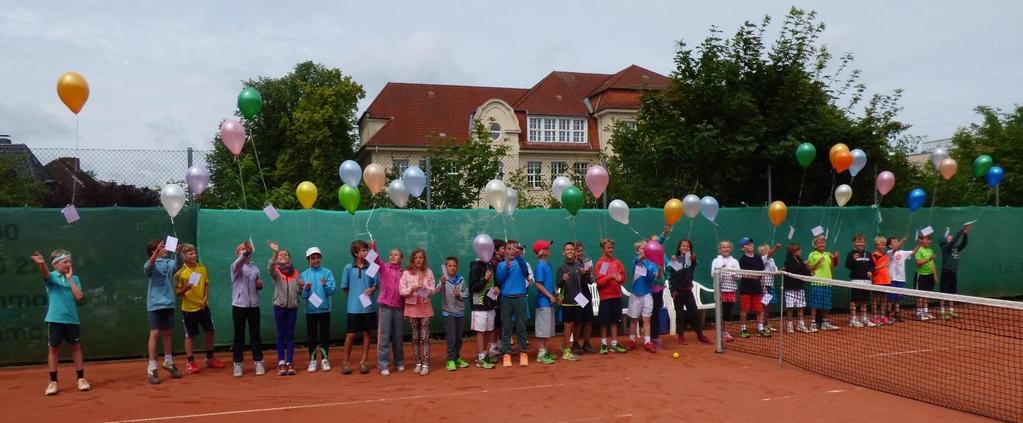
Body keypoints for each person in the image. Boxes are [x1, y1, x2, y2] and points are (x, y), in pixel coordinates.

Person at [32, 250, 90, 396]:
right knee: (53, 350)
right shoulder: (51, 278)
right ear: (56, 264)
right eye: (65, 262)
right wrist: (42, 264)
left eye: (70, 261)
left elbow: (79, 296)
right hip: (55, 319)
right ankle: (53, 382)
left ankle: (81, 379)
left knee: (76, 348)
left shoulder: (75, 278)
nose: (69, 264)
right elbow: (45, 273)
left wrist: (70, 279)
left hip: (72, 320)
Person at [174, 243, 225, 374]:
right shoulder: (180, 274)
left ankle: (209, 359)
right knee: (190, 335)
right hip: (189, 309)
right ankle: (190, 362)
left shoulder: (202, 268)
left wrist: (205, 299)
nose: (194, 255)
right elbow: (177, 292)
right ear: (184, 256)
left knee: (210, 331)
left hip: (203, 307)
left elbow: (207, 284)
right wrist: (186, 288)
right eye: (191, 253)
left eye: (194, 253)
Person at [143, 240, 183, 384]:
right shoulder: (150, 263)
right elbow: (148, 269)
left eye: (165, 246)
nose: (165, 248)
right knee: (154, 333)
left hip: (168, 303)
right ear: (154, 251)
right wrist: (154, 255)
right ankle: (152, 367)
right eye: (161, 247)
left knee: (167, 333)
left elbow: (178, 266)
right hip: (154, 304)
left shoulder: (169, 263)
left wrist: (178, 254)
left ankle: (168, 362)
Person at [339, 240, 379, 376]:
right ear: (356, 253)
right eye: (363, 250)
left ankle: (363, 362)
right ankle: (345, 362)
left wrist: (372, 289)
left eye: (367, 250)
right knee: (350, 335)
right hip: (353, 309)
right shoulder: (348, 268)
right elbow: (345, 288)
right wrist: (354, 299)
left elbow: (376, 284)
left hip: (369, 308)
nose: (366, 252)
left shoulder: (372, 267)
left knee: (367, 334)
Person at [230, 240, 265, 377]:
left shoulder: (255, 268)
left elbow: (258, 284)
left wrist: (259, 285)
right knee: (239, 335)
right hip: (239, 306)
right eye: (241, 250)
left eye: (246, 249)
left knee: (255, 334)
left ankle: (258, 361)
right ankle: (237, 363)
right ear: (238, 253)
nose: (245, 251)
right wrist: (245, 252)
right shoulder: (235, 266)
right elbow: (238, 263)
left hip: (254, 306)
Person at [399, 248, 436, 375]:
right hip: (412, 308)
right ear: (412, 259)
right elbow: (402, 291)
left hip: (425, 308)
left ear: (424, 259)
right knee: (415, 337)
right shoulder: (406, 273)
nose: (418, 260)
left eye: (421, 257)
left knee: (425, 337)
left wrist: (426, 288)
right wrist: (411, 289)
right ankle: (418, 363)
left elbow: (433, 290)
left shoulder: (429, 272)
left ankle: (426, 364)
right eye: (416, 258)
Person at [266, 241, 301, 376]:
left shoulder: (295, 272)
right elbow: (269, 268)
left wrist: (303, 287)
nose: (283, 256)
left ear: (289, 258)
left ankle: (290, 363)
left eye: (285, 255)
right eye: (281, 255)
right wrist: (274, 253)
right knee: (281, 334)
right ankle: (281, 363)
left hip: (292, 307)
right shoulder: (276, 271)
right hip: (279, 307)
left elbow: (297, 290)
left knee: (290, 334)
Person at [668, 239, 711, 344]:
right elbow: (671, 277)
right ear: (679, 248)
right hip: (677, 292)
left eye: (688, 246)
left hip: (688, 291)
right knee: (680, 314)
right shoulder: (675, 260)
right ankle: (681, 336)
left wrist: (693, 259)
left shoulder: (691, 260)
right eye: (683, 246)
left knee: (695, 313)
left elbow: (695, 263)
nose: (686, 248)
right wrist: (672, 290)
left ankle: (700, 336)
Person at [300, 246, 336, 372]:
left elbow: (332, 291)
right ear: (308, 260)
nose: (315, 260)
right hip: (310, 311)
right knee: (311, 336)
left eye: (317, 257)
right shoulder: (304, 274)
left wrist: (325, 286)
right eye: (312, 258)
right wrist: (307, 288)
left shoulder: (327, 273)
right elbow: (303, 295)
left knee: (325, 336)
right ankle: (313, 360)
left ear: (320, 258)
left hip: (325, 310)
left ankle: (325, 360)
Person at [496, 240, 530, 367]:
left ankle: (523, 353)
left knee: (521, 326)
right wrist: (506, 267)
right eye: (509, 249)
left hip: (520, 297)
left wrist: (519, 257)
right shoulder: (501, 265)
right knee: (506, 327)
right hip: (505, 298)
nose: (511, 251)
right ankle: (506, 354)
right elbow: (499, 280)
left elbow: (526, 273)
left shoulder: (522, 263)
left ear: (517, 251)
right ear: (505, 251)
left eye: (514, 249)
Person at [372, 242, 405, 375]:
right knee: (384, 336)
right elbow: (376, 259)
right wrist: (373, 248)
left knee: (398, 337)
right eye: (391, 254)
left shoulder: (405, 273)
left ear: (401, 258)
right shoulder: (384, 268)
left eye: (395, 254)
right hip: (385, 307)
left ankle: (399, 362)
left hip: (398, 308)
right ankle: (383, 365)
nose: (392, 256)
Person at [595, 238, 628, 353]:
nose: (611, 249)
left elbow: (623, 278)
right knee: (604, 322)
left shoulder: (617, 263)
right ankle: (604, 344)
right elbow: (599, 282)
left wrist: (620, 278)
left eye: (612, 247)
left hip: (617, 296)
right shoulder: (602, 264)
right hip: (605, 297)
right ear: (602, 249)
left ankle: (614, 344)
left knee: (615, 320)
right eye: (608, 247)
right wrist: (611, 277)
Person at [628, 240, 659, 352]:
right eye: (642, 248)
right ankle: (631, 340)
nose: (644, 250)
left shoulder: (652, 264)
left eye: (646, 248)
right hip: (635, 294)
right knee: (633, 320)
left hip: (647, 294)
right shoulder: (635, 260)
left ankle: (647, 342)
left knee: (647, 319)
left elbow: (654, 278)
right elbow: (637, 263)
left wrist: (658, 271)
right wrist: (641, 259)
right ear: (637, 251)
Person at [469, 251, 498, 369]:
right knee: (480, 331)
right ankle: (480, 358)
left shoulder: (490, 265)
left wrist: (496, 288)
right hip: (479, 305)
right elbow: (474, 287)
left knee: (489, 330)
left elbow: (492, 283)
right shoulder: (475, 266)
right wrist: (485, 279)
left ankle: (484, 354)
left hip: (490, 304)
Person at [532, 240, 559, 364]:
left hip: (549, 300)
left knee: (547, 327)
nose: (549, 248)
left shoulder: (548, 264)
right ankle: (541, 353)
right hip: (543, 301)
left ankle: (545, 351)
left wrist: (555, 292)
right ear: (541, 251)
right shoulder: (540, 265)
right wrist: (549, 296)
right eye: (547, 247)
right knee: (543, 328)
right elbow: (538, 284)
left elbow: (548, 283)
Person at [557, 242, 585, 361]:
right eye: (567, 249)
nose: (570, 251)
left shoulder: (579, 265)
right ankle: (567, 352)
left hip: (579, 299)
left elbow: (585, 281)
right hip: (567, 300)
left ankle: (568, 346)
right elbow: (557, 285)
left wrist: (584, 274)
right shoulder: (561, 268)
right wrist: (562, 280)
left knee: (578, 323)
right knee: (568, 325)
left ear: (575, 251)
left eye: (572, 249)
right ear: (564, 252)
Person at [441, 256, 470, 371]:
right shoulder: (443, 280)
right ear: (446, 267)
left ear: (457, 267)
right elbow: (438, 290)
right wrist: (442, 284)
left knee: (459, 338)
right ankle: (450, 360)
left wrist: (460, 294)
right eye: (450, 266)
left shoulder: (461, 280)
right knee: (451, 338)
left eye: (454, 266)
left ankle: (457, 358)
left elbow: (467, 294)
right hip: (448, 313)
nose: (452, 268)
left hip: (460, 313)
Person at [737, 238, 770, 338]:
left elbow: (761, 273)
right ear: (743, 248)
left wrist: (763, 284)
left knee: (759, 310)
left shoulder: (758, 258)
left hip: (757, 288)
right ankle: (743, 329)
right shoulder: (742, 259)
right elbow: (741, 274)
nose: (750, 245)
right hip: (746, 289)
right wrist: (752, 276)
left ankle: (760, 328)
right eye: (747, 244)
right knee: (744, 310)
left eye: (751, 243)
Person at [807, 236, 840, 331]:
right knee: (815, 304)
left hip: (827, 283)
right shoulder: (812, 255)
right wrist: (817, 262)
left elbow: (832, 266)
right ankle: (813, 323)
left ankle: (825, 322)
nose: (822, 244)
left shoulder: (828, 254)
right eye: (819, 243)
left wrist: (835, 258)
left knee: (826, 304)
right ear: (815, 245)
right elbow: (809, 269)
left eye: (823, 243)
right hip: (817, 283)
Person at [939, 224, 971, 319]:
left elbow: (963, 244)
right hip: (946, 273)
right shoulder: (945, 248)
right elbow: (953, 241)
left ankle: (951, 311)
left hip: (953, 273)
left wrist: (965, 234)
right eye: (949, 237)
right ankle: (942, 312)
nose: (951, 237)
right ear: (944, 241)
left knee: (952, 293)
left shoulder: (955, 248)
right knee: (943, 293)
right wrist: (961, 230)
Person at [647, 227, 672, 348]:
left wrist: (666, 272)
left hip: (659, 288)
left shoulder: (662, 255)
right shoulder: (647, 256)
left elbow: (669, 268)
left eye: (658, 241)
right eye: (653, 242)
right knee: (650, 313)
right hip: (648, 289)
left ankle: (654, 336)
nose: (656, 243)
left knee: (656, 311)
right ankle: (649, 337)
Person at [710, 241, 740, 342]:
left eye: (728, 247)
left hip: (731, 290)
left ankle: (725, 331)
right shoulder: (716, 261)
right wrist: (720, 271)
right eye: (724, 247)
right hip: (720, 290)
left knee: (728, 312)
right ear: (720, 249)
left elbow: (739, 275)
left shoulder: (735, 261)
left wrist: (734, 274)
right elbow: (713, 274)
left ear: (730, 249)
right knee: (720, 312)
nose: (726, 249)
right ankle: (720, 331)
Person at [886, 236, 919, 323]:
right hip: (892, 279)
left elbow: (913, 252)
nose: (897, 243)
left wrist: (920, 244)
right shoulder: (889, 252)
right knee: (890, 299)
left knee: (898, 299)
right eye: (894, 242)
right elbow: (896, 248)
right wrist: (903, 240)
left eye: (897, 241)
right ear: (890, 246)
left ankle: (896, 315)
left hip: (901, 280)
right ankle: (888, 315)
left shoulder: (903, 252)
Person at [845, 234, 876, 328]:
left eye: (862, 241)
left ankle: (864, 318)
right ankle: (853, 319)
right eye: (858, 242)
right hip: (856, 280)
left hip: (866, 281)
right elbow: (848, 266)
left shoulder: (868, 253)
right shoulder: (851, 254)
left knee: (864, 301)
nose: (860, 243)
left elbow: (873, 265)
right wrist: (853, 259)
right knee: (854, 301)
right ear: (854, 243)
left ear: (864, 243)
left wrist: (871, 271)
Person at [781, 243, 812, 333]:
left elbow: (803, 271)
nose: (801, 251)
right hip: (790, 288)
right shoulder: (788, 261)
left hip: (799, 287)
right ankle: (789, 325)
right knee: (790, 308)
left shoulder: (800, 260)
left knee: (800, 307)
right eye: (799, 250)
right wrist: (804, 264)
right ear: (793, 252)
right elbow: (793, 271)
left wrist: (810, 274)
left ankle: (800, 325)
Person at [572, 241, 597, 354]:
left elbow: (592, 282)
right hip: (576, 294)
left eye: (581, 251)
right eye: (577, 251)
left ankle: (586, 343)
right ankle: (575, 344)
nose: (579, 253)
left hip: (585, 292)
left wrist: (589, 273)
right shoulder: (570, 264)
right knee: (578, 320)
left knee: (588, 319)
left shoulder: (586, 262)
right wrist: (579, 273)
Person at [758, 243, 782, 332]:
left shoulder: (772, 260)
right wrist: (776, 247)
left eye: (768, 250)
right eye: (766, 250)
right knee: (764, 306)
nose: (768, 252)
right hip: (764, 286)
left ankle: (766, 324)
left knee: (768, 307)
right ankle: (763, 325)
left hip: (770, 286)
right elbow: (769, 254)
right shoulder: (761, 259)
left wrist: (782, 270)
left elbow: (775, 271)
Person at [913, 233, 937, 321]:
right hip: (921, 275)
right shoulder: (919, 250)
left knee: (927, 294)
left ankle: (925, 311)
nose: (929, 241)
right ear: (922, 240)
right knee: (920, 295)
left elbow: (932, 263)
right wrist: (929, 259)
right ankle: (919, 313)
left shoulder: (930, 250)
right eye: (927, 239)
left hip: (930, 275)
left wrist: (935, 275)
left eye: (930, 239)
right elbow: (918, 264)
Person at [870, 237, 893, 326]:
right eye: (882, 244)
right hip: (877, 280)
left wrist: (889, 277)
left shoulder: (885, 255)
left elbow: (887, 268)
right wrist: (882, 265)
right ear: (876, 245)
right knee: (876, 299)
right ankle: (875, 317)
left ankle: (883, 316)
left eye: (884, 244)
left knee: (884, 299)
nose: (884, 246)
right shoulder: (873, 255)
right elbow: (872, 269)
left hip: (886, 280)